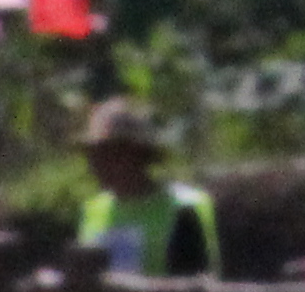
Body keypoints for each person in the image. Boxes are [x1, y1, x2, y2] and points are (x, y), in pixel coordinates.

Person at [74, 98, 217, 280]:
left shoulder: (183, 209)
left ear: (141, 155)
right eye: (96, 154)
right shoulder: (93, 211)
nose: (100, 164)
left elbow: (196, 291)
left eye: (113, 154)